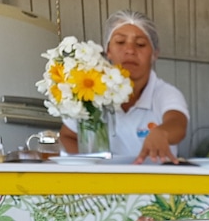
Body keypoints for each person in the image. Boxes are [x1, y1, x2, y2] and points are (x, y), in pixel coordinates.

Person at [60, 10, 189, 163]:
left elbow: (178, 124)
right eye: (120, 42)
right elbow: (68, 136)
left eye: (140, 44)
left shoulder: (164, 93)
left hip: (154, 178)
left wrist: (162, 133)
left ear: (155, 53)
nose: (130, 50)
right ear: (108, 50)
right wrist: (91, 165)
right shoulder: (91, 91)